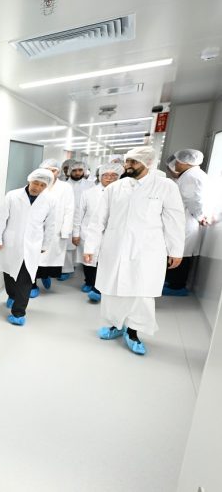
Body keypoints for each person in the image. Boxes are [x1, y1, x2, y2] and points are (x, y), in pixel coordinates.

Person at [83, 146, 185, 355]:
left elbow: (174, 220)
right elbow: (98, 220)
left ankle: (133, 332)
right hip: (115, 247)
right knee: (113, 289)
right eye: (127, 161)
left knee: (141, 293)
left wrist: (176, 250)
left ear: (148, 163)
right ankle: (115, 325)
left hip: (147, 249)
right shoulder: (115, 188)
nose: (128, 166)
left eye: (133, 162)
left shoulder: (165, 186)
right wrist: (91, 246)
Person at [0, 169, 56, 326]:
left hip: (33, 243)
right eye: (35, 183)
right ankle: (12, 296)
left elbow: (51, 224)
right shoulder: (12, 195)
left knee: (26, 277)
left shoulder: (50, 200)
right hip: (11, 241)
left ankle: (18, 313)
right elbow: (1, 218)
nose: (37, 187)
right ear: (29, 180)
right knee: (9, 272)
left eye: (42, 185)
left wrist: (46, 244)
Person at [72, 163, 124, 301]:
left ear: (119, 177)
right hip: (88, 231)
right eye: (106, 175)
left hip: (112, 233)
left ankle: (100, 286)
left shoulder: (124, 194)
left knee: (106, 261)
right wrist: (76, 233)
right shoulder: (88, 193)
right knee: (89, 260)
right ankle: (89, 282)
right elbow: (79, 214)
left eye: (114, 175)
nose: (109, 178)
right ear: (100, 176)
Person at [163, 149, 211, 296]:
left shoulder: (191, 177)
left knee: (181, 254)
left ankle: (177, 287)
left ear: (185, 162)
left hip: (187, 221)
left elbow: (194, 200)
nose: (176, 164)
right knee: (178, 252)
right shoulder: (191, 175)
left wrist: (200, 216)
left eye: (178, 161)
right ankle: (172, 282)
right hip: (185, 220)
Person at [32, 158, 74, 296]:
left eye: (54, 170)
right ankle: (32, 285)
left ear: (58, 172)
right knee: (33, 257)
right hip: (37, 227)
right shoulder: (37, 184)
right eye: (47, 170)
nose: (51, 173)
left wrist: (66, 230)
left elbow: (69, 209)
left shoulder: (66, 187)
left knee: (49, 257)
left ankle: (45, 276)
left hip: (56, 228)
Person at [61, 160, 93, 281]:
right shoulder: (64, 185)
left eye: (80, 170)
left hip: (84, 219)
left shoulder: (90, 185)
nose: (77, 173)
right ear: (69, 171)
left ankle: (81, 267)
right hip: (68, 218)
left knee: (82, 244)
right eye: (74, 170)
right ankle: (66, 269)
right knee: (67, 245)